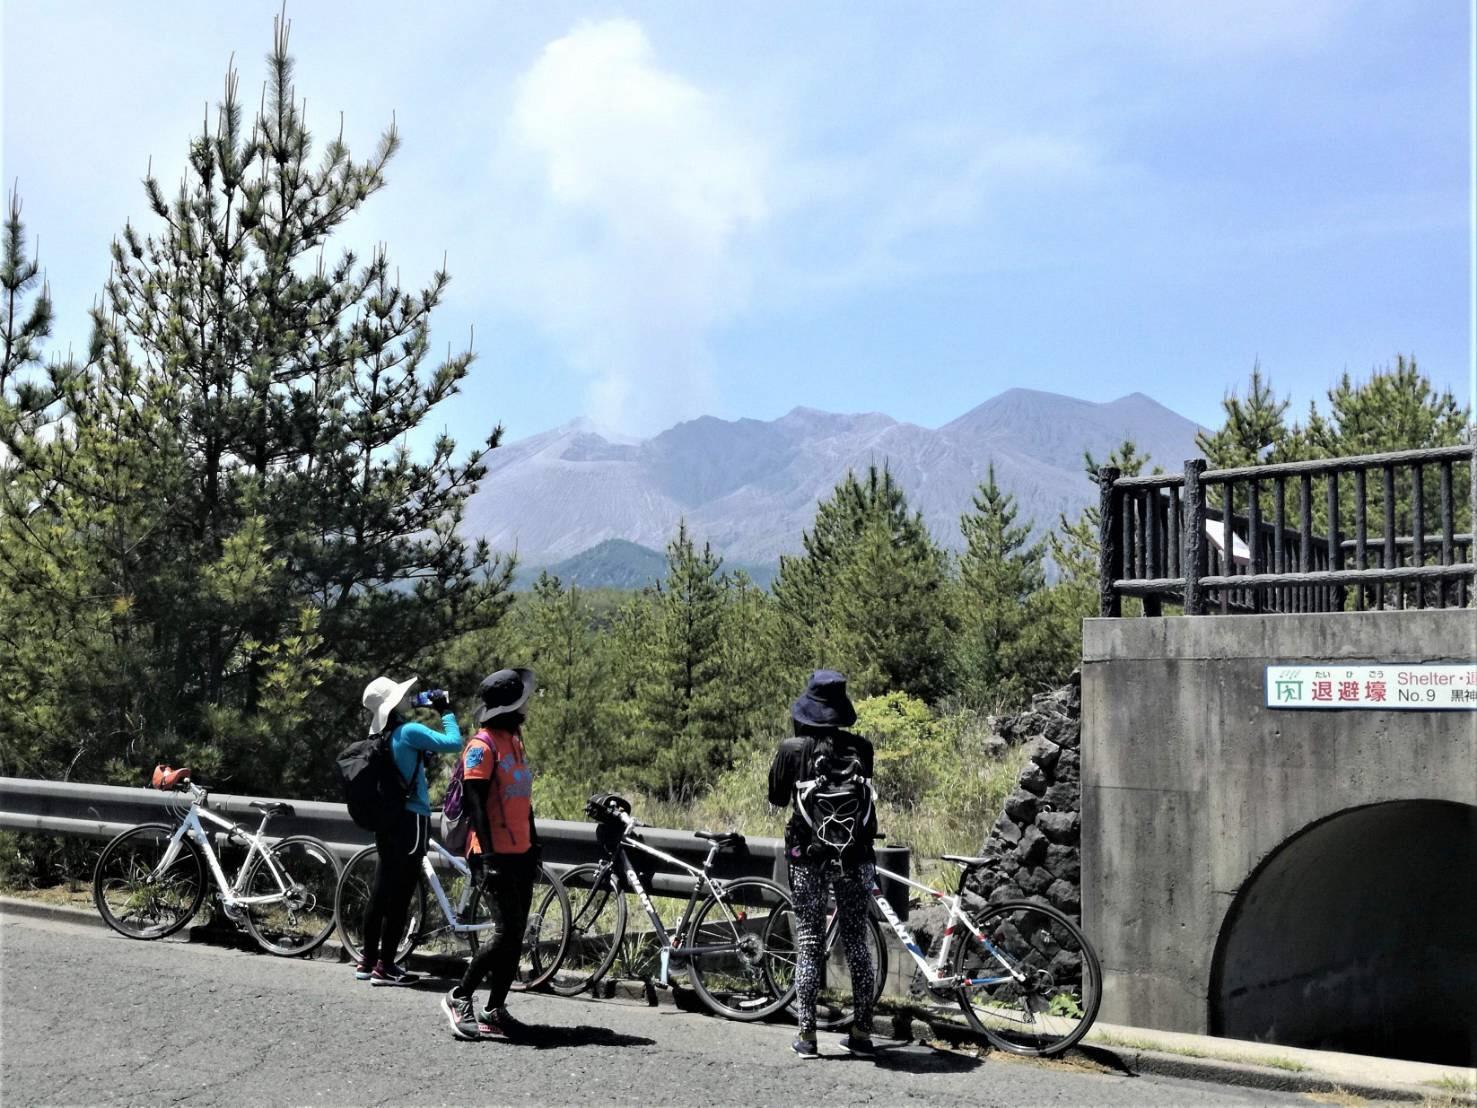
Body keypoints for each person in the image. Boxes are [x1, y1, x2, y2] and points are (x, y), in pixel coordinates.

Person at [768, 669, 880, 1059]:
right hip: (856, 856)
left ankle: (807, 1037)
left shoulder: (791, 749)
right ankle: (863, 1033)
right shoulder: (861, 750)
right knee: (857, 943)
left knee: (811, 942)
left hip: (806, 856)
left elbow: (777, 798)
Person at [441, 668, 542, 1041]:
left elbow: (525, 803)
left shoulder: (514, 742)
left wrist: (535, 844)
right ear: (508, 708)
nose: (526, 708)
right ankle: (459, 996)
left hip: (520, 852)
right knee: (505, 932)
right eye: (522, 703)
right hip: (492, 853)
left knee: (516, 935)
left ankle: (495, 1010)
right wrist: (488, 859)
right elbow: (477, 805)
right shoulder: (481, 747)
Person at [358, 675, 463, 985]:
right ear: (393, 704)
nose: (407, 698)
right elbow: (454, 742)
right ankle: (386, 967)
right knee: (401, 895)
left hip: (386, 819)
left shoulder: (379, 735)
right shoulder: (410, 731)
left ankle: (367, 961)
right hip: (412, 818)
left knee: (380, 891)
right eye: (401, 695)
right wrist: (445, 710)